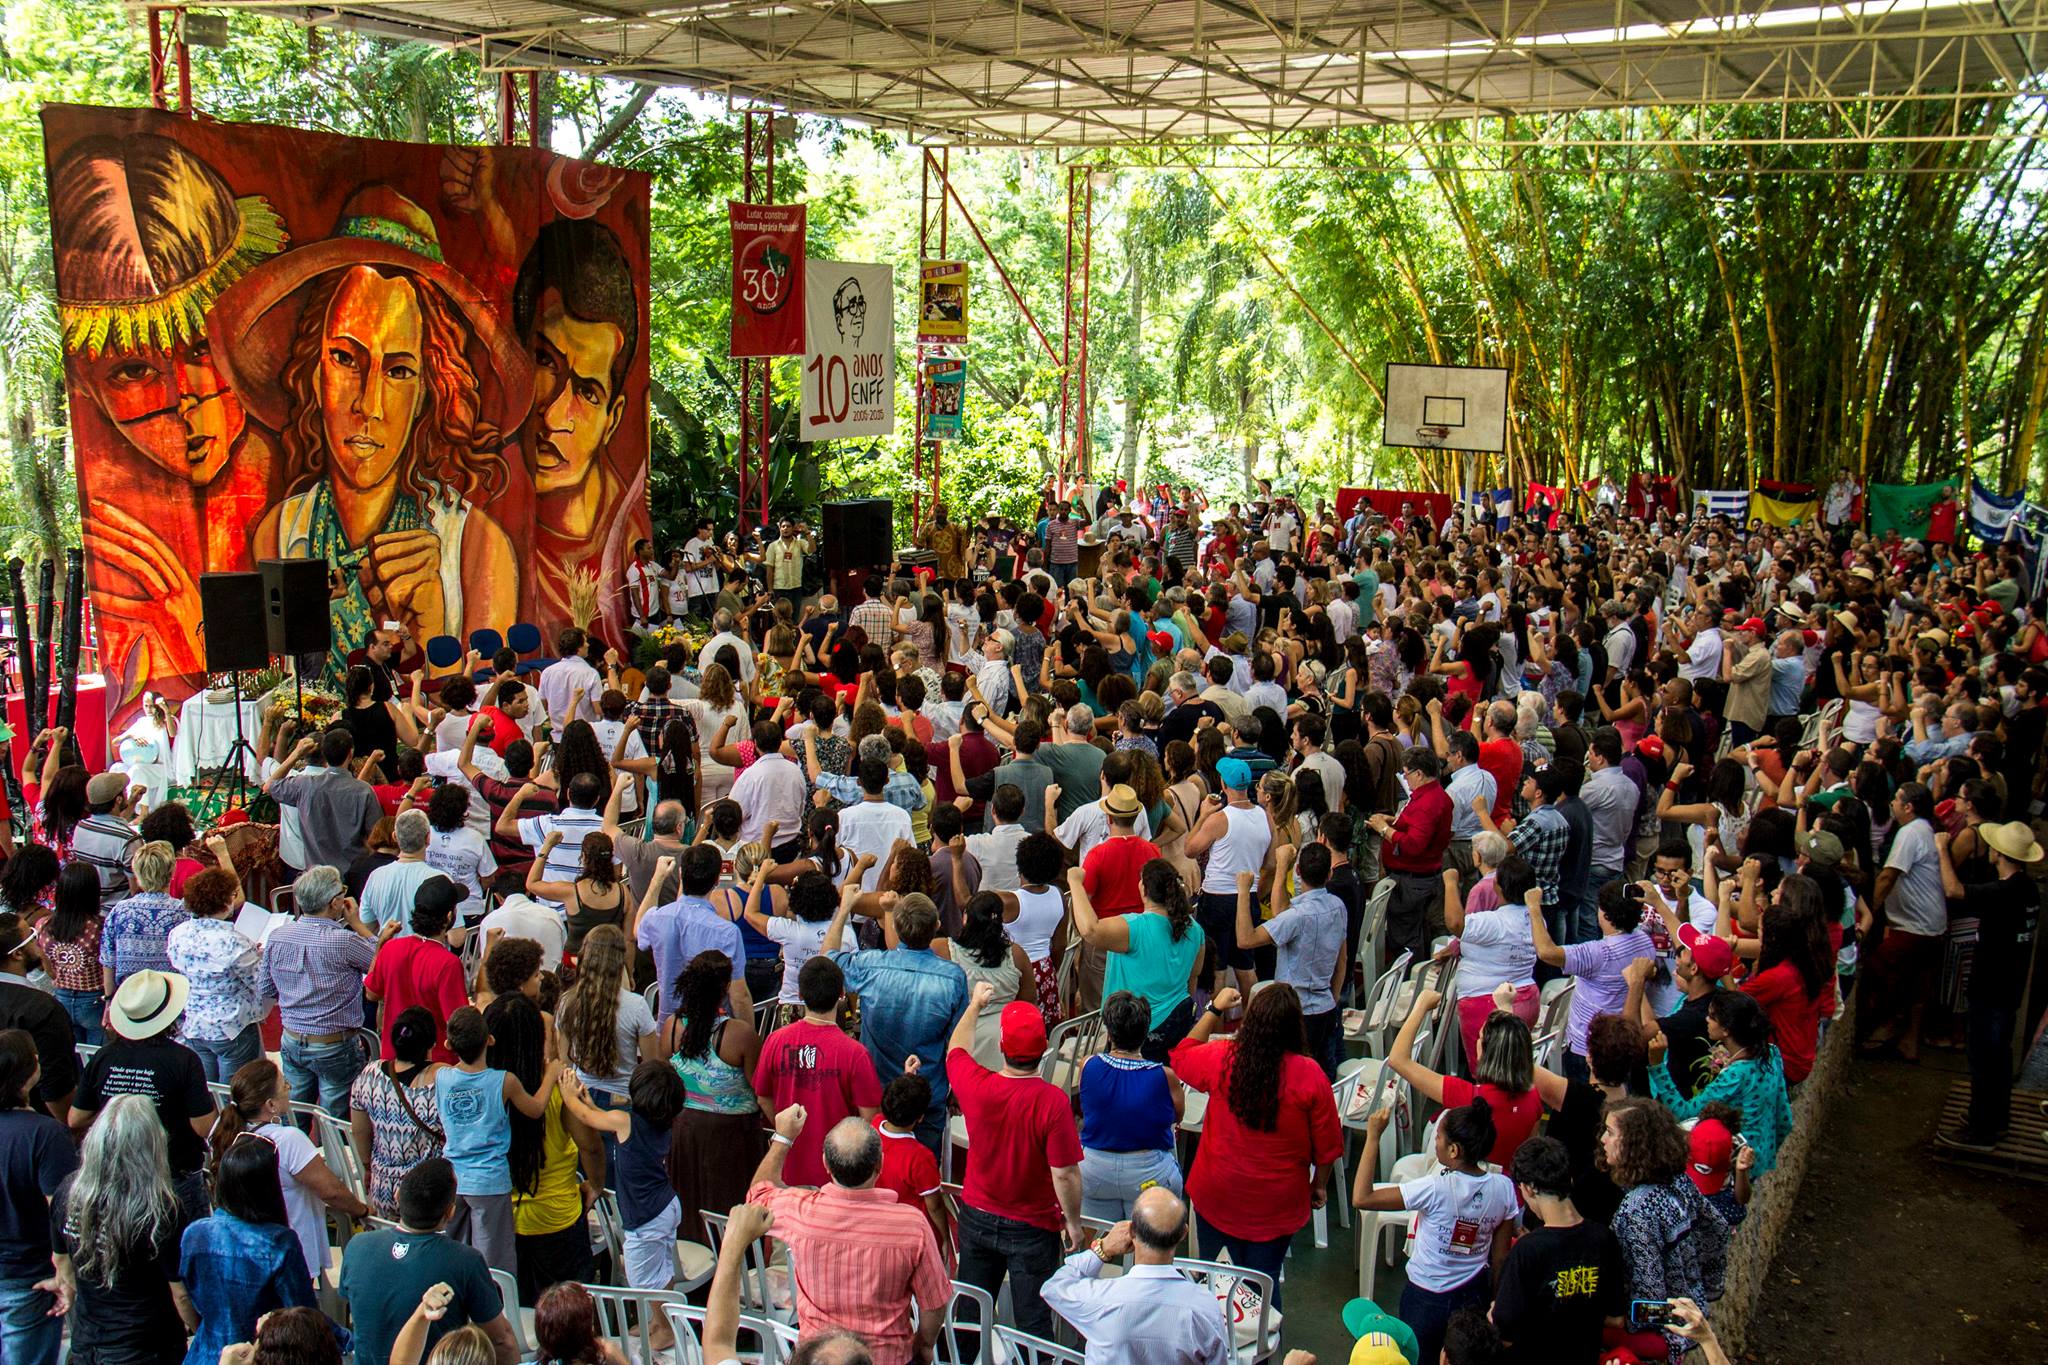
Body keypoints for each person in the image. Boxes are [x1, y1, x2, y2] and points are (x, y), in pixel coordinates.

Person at [1170, 983, 1340, 1305]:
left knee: (1214, 1285)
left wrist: (1215, 1009)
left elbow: (1182, 1055)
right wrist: (1319, 1185)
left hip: (1217, 1195)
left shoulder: (1223, 1059)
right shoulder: (1311, 1075)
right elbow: (1328, 1146)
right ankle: (1264, 1349)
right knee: (1263, 1287)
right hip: (1276, 1206)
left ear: (1250, 1020)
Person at [746, 1104, 951, 1365]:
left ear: (825, 1164)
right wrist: (924, 1345)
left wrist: (784, 1137)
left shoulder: (802, 1211)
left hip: (818, 1357)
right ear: (881, 1164)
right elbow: (933, 1302)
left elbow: (757, 1198)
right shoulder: (912, 1225)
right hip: (889, 1357)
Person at [947, 983, 1085, 1352]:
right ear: (1044, 1051)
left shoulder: (978, 1086)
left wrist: (975, 1005)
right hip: (1032, 1228)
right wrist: (1073, 1222)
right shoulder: (1052, 1102)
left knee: (969, 1316)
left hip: (976, 1215)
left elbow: (956, 1049)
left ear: (1003, 1047)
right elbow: (1065, 1173)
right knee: (1034, 1324)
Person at [1353, 1096, 1517, 1365]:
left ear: (1453, 1151)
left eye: (1438, 1137)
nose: (1435, 1142)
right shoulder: (1503, 1188)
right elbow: (1499, 1257)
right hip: (1474, 1294)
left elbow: (1362, 1197)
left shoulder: (1433, 1188)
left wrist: (1373, 1138)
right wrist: (1494, 1302)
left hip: (1425, 1299)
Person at [48, 1093, 200, 1365]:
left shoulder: (68, 1192)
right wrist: (202, 1333)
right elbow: (180, 1293)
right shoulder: (160, 1208)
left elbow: (61, 1263)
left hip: (88, 1341)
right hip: (144, 1346)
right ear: (153, 1143)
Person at [824, 882, 967, 1149]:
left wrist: (844, 910)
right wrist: (957, 1090)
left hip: (878, 1093)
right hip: (926, 1095)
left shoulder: (872, 966)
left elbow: (828, 960)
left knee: (872, 1172)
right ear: (936, 925)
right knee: (923, 1176)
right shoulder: (953, 977)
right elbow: (957, 1043)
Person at [69, 969, 216, 1222]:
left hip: (119, 1172)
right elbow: (203, 1125)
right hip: (173, 1175)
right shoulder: (183, 1060)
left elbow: (76, 1118)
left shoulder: (104, 1056)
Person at [208, 1059, 369, 1289]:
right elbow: (331, 1192)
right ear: (271, 1105)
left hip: (245, 1248)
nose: (289, 1088)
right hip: (289, 1250)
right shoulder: (289, 1140)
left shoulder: (223, 1131)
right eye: (284, 1085)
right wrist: (361, 1210)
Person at [1934, 820, 2044, 1150]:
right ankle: (1995, 1118)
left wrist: (1941, 850)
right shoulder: (2028, 889)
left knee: (1984, 1058)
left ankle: (1982, 1131)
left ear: (1998, 853)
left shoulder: (2003, 892)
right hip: (2008, 988)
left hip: (1991, 988)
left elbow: (1954, 890)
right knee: (1998, 1056)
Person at [433, 1003, 560, 1274]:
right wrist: (550, 1075)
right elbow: (536, 1109)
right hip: (490, 1180)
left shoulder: (442, 1077)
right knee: (494, 1263)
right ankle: (494, 1311)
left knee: (451, 1255)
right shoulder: (504, 1081)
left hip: (454, 1178)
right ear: (489, 1040)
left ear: (448, 1043)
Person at [555, 1064, 689, 1320]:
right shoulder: (659, 1122)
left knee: (643, 1281)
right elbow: (601, 1117)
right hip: (665, 1206)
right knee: (661, 1271)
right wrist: (588, 1100)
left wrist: (568, 1094)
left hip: (646, 1215)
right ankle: (664, 1323)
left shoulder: (627, 1120)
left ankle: (662, 1329)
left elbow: (586, 1118)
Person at [1041, 1186, 1231, 1365]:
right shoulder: (1204, 1306)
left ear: (1131, 1231)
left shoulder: (1099, 1299)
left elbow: (1054, 1287)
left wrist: (1103, 1249)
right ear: (1183, 1234)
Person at [1602, 1096, 1730, 1361]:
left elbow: (1648, 1299)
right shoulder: (1680, 1180)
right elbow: (1717, 1228)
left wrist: (1618, 1318)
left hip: (1664, 1332)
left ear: (1634, 1145)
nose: (1602, 1139)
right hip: (1692, 1309)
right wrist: (1703, 1287)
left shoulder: (1637, 1208)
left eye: (1610, 1133)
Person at [179, 1136, 323, 1365]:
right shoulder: (279, 1242)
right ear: (269, 1185)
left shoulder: (194, 1234)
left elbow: (188, 1295)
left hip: (203, 1353)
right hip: (259, 1355)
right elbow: (303, 1317)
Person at [661, 950, 767, 1247]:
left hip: (685, 1134)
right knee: (730, 1215)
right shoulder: (739, 1034)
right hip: (733, 1139)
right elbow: (760, 1089)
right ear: (723, 990)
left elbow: (666, 1076)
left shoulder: (671, 1027)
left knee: (692, 1208)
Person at [1490, 1136, 1625, 1365]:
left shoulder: (1527, 1250)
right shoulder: (1605, 1239)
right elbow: (1616, 1318)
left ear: (1529, 1188)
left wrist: (1493, 1313)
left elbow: (1504, 1332)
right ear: (1569, 1179)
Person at [754, 956, 883, 1188]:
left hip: (788, 1168)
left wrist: (787, 1131)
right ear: (842, 993)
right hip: (838, 1177)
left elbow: (762, 1096)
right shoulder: (855, 1054)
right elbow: (870, 1118)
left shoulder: (775, 1040)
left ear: (800, 995)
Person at [260, 864, 377, 1117]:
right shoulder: (343, 941)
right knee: (335, 1120)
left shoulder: (278, 936)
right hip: (335, 1044)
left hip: (292, 1038)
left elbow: (267, 988)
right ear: (335, 902)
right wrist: (358, 924)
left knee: (293, 1112)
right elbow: (380, 964)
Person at [1067, 860, 1205, 1062]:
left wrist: (1075, 882)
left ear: (1143, 888)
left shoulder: (1135, 927)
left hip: (1134, 1032)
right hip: (1177, 1022)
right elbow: (1193, 978)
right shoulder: (1194, 929)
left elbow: (1090, 930)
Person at [1388, 986, 1541, 1166]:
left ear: (1485, 1053)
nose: (1477, 1041)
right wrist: (1505, 1006)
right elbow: (1509, 1046)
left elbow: (1398, 1059)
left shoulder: (1468, 1097)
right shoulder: (1533, 1097)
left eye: (1480, 1038)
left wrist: (1421, 1005)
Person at [1647, 990, 1793, 1173]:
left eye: (1712, 1016)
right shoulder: (1771, 1054)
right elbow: (1785, 1118)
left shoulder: (1735, 1076)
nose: (1706, 1019)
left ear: (1726, 1030)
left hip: (1736, 1166)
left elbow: (1683, 1113)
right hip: (1761, 1158)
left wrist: (1657, 1065)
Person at [0, 1029, 78, 1365]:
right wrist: (65, 1272)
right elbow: (63, 1213)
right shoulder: (45, 1135)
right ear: (32, 1068)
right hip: (30, 1278)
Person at [1232, 847, 1346, 1075]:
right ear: (1329, 874)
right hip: (1325, 1006)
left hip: (1296, 1013)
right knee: (1322, 1076)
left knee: (1290, 1078)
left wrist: (1244, 892)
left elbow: (1245, 939)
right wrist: (1333, 996)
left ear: (1298, 871)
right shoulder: (1338, 906)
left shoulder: (1296, 917)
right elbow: (1342, 958)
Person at [1527, 880, 1656, 1081]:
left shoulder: (1597, 954)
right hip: (1620, 1046)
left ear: (1604, 914)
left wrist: (1534, 908)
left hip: (1586, 1049)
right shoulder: (1645, 941)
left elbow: (1546, 952)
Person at [1076, 990, 1185, 1220]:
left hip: (1095, 1170)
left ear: (1109, 1032)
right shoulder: (1164, 1076)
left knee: (1095, 1236)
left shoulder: (1088, 1065)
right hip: (1149, 1173)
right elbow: (1177, 1115)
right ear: (1145, 1032)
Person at [1859, 781, 1946, 1061]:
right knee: (1918, 985)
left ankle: (1881, 1031)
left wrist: (1869, 911)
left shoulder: (1910, 833)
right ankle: (1908, 1041)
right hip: (1928, 922)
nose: (1893, 804)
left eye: (1897, 800)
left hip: (1915, 926)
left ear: (1908, 807)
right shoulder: (1922, 830)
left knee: (1880, 972)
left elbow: (1888, 875)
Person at [165, 867, 267, 1083]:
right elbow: (259, 981)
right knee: (235, 1093)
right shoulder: (234, 941)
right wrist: (260, 958)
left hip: (194, 1022)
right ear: (223, 902)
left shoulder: (178, 934)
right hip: (232, 1026)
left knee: (207, 1090)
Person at [1184, 756, 1270, 1002]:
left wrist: (1202, 815)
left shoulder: (1219, 819)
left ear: (1223, 784)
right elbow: (1270, 861)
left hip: (1218, 899)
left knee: (1217, 971)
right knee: (1246, 966)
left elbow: (1189, 849)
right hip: (1249, 896)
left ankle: (1215, 1029)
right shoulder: (1264, 816)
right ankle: (1253, 1027)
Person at [349, 1007, 447, 1221]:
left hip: (382, 1185)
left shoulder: (370, 1074)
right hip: (427, 1192)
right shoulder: (442, 1082)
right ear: (432, 1043)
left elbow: (359, 1130)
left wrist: (367, 1167)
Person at [365, 880, 472, 1064]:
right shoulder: (448, 963)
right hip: (434, 1064)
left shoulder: (391, 948)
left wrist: (380, 946)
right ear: (448, 916)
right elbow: (456, 1024)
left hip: (394, 1060)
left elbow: (372, 993)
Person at [1370, 747, 1453, 967]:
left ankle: (1405, 980)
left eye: (1406, 774)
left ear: (1419, 773)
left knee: (1405, 937)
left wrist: (1383, 830)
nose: (1405, 779)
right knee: (1416, 932)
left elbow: (1414, 845)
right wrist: (1394, 823)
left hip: (1412, 880)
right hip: (1420, 875)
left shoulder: (1428, 803)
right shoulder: (1435, 796)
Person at [264, 730, 384, 873]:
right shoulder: (364, 790)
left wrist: (295, 755)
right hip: (353, 873)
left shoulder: (304, 785)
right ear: (350, 754)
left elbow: (269, 785)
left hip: (318, 875)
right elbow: (377, 837)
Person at [0, 913, 76, 1122]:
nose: (38, 942)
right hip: (36, 1123)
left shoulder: (40, 1006)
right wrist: (68, 1129)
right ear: (17, 954)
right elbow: (57, 1087)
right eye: (32, 936)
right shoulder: (42, 1009)